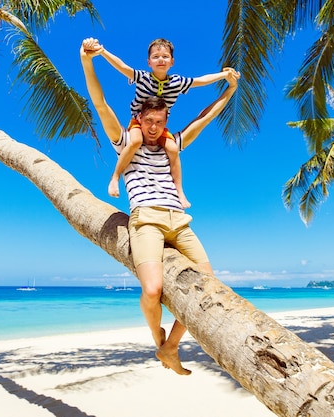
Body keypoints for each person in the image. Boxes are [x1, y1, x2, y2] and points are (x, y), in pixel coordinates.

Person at [80, 38, 240, 375]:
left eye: (159, 122)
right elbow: (100, 103)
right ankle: (158, 336)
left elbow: (204, 117)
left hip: (180, 222)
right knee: (152, 290)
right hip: (147, 221)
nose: (153, 128)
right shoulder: (126, 141)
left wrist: (228, 91)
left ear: (165, 120)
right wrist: (87, 61)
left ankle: (170, 348)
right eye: (148, 121)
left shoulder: (173, 142)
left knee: (212, 287)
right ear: (139, 118)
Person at [84, 38, 231, 208]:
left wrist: (224, 76)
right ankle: (115, 177)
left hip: (160, 126)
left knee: (173, 149)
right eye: (156, 57)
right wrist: (102, 52)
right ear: (148, 62)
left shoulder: (177, 82)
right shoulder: (143, 77)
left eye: (165, 56)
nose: (160, 59)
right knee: (136, 141)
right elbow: (122, 67)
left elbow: (202, 81)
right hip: (137, 123)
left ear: (172, 61)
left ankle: (180, 192)